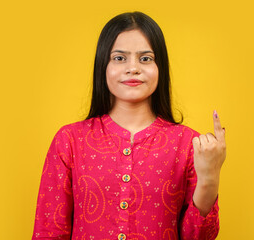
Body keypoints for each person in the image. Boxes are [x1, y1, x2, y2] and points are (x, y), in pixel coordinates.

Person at [32, 11, 226, 240]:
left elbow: (199, 237)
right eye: (119, 58)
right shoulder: (69, 140)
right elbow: (48, 232)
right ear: (103, 66)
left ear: (160, 67)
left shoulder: (189, 144)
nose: (133, 68)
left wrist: (210, 178)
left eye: (145, 58)